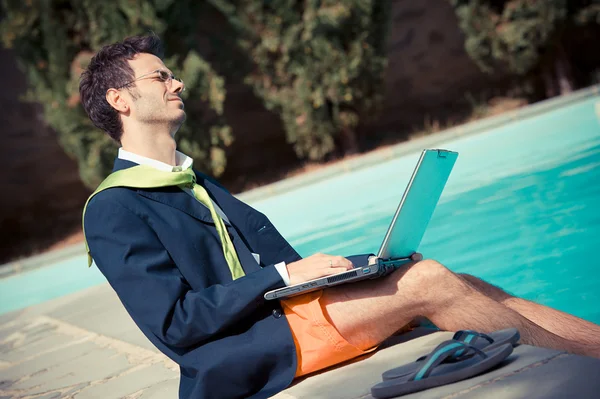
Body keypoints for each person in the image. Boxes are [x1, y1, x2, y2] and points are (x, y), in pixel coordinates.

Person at [80, 35, 600, 399]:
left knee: (463, 280)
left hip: (286, 317)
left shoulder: (191, 181)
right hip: (243, 355)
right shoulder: (114, 207)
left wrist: (368, 265)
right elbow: (175, 323)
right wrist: (282, 276)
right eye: (160, 77)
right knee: (431, 282)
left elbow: (288, 272)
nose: (177, 84)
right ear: (119, 98)